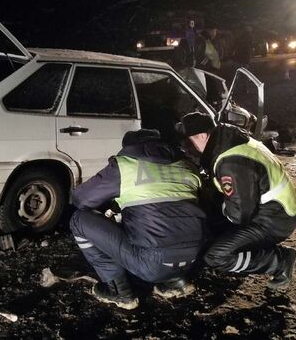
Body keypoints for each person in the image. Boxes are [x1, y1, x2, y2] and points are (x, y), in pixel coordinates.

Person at [69, 129, 208, 309]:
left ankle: (119, 292)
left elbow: (81, 199)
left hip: (152, 265)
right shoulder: (187, 166)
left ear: (130, 148)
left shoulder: (125, 165)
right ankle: (175, 282)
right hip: (192, 259)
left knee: (78, 220)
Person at [175, 112, 296, 290]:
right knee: (212, 227)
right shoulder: (230, 141)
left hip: (274, 220)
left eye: (189, 142)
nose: (187, 148)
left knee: (216, 256)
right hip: (275, 210)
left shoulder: (231, 162)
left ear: (203, 135)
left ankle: (279, 261)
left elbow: (238, 214)